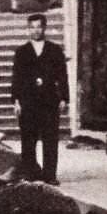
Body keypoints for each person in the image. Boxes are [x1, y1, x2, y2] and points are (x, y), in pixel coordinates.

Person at [11, 13, 69, 185]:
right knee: (28, 138)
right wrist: (16, 100)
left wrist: (64, 98)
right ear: (28, 29)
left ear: (44, 28)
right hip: (28, 100)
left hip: (49, 100)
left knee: (50, 139)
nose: (35, 30)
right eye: (32, 27)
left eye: (39, 27)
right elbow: (16, 77)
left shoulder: (54, 50)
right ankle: (30, 173)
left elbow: (62, 75)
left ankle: (50, 175)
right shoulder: (22, 52)